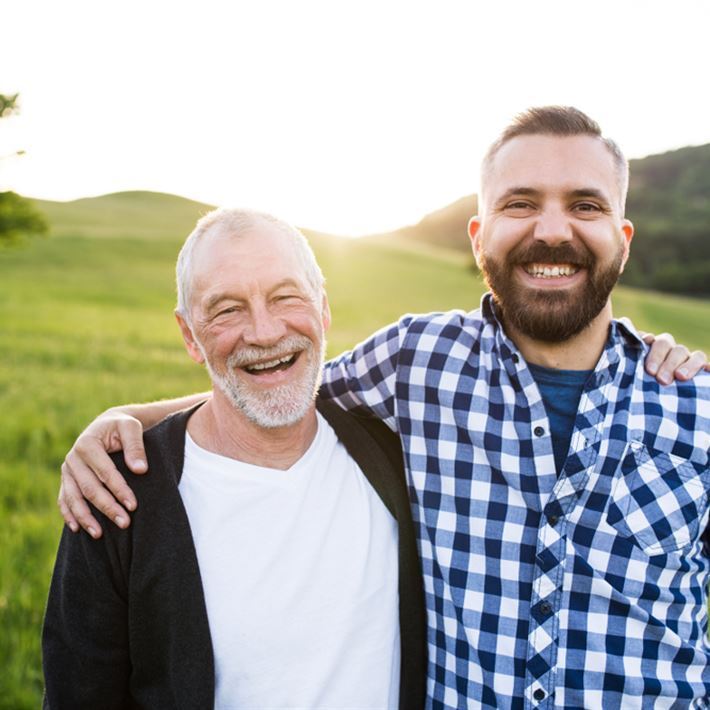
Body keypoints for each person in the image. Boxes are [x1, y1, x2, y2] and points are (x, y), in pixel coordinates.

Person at [59, 107, 709, 707]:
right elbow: (280, 387)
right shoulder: (417, 361)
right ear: (480, 235)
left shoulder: (697, 406)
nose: (551, 229)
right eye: (521, 203)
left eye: (585, 204)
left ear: (622, 237)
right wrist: (124, 422)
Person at [43, 209, 427, 709]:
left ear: (323, 308)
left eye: (285, 296)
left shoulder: (395, 451)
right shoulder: (117, 496)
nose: (264, 332)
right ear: (189, 336)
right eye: (227, 309)